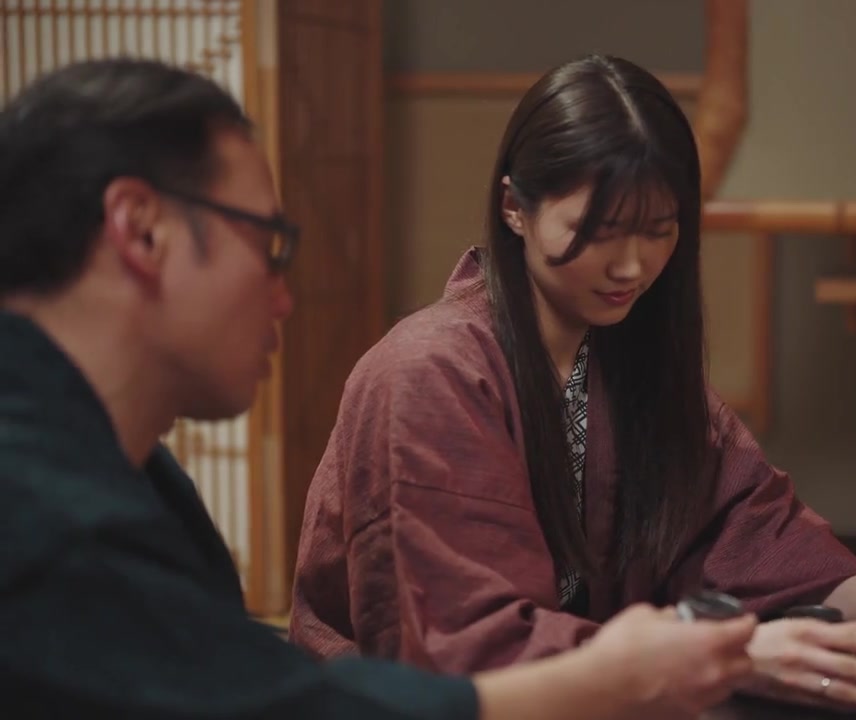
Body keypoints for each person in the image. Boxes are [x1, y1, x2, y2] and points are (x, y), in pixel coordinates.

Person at [0, 57, 761, 720]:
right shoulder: (46, 516)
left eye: (659, 230)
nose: (283, 298)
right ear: (141, 231)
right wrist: (610, 678)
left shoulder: (128, 481)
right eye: (269, 245)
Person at [290, 54, 856, 716]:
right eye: (601, 230)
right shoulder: (429, 373)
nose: (631, 266)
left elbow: (748, 524)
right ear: (514, 208)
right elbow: (460, 647)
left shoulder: (628, 356)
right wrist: (729, 658)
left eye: (659, 230)